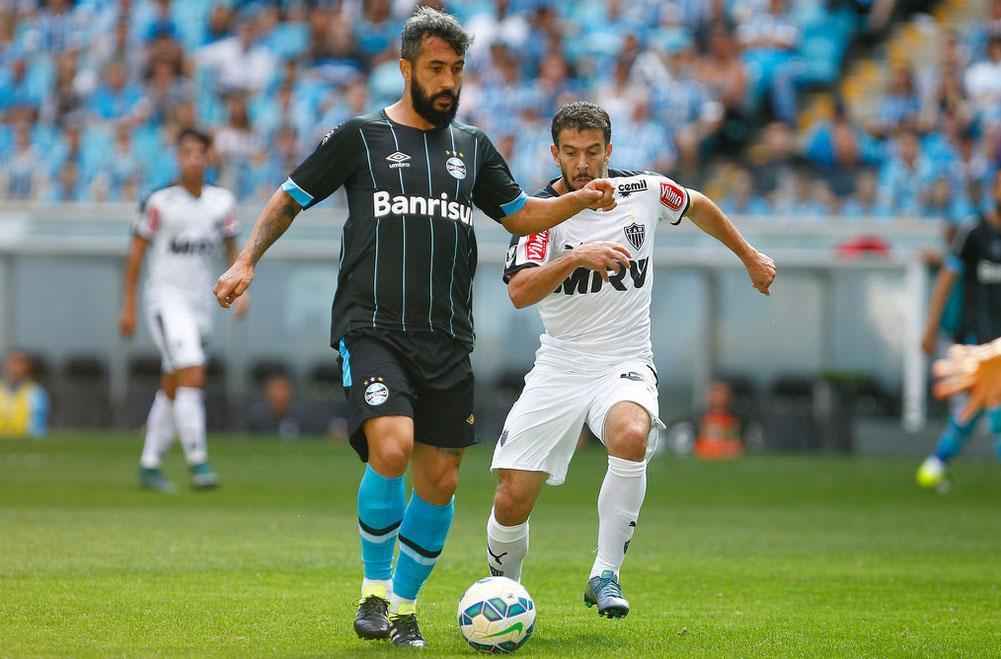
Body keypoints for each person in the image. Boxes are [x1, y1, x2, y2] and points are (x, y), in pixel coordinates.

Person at [211, 8, 616, 649]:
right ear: (405, 69)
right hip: (372, 326)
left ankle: (402, 609)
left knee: (442, 479)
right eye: (435, 68)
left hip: (448, 336)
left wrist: (578, 200)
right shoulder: (360, 136)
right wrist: (245, 260)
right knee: (392, 447)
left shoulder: (474, 148)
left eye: (456, 69)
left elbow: (521, 217)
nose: (448, 80)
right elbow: (289, 196)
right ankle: (372, 595)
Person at [486, 102, 775, 618]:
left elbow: (698, 203)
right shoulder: (538, 215)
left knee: (631, 435)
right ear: (554, 153)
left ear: (609, 151)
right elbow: (520, 291)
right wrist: (576, 257)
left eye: (592, 152)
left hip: (624, 360)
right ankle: (505, 596)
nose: (582, 164)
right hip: (560, 365)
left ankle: (606, 573)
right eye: (571, 153)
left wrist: (749, 255)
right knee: (512, 496)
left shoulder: (642, 191)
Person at [119, 128, 247, 494]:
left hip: (201, 304)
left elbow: (232, 250)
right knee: (192, 370)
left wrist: (243, 293)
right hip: (165, 300)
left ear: (209, 158)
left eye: (200, 153)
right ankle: (198, 460)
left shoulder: (221, 202)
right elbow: (136, 256)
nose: (193, 159)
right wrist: (127, 305)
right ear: (178, 157)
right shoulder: (159, 202)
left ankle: (149, 464)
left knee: (174, 382)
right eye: (187, 152)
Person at [918, 170, 1001, 490]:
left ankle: (935, 463)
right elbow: (946, 280)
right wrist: (930, 327)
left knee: (976, 407)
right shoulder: (973, 232)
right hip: (976, 340)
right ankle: (935, 463)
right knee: (993, 409)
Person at [0, 350, 48, 439]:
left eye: (20, 363)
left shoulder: (35, 392)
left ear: (27, 367)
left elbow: (38, 426)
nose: (15, 368)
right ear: (5, 365)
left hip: (25, 442)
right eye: (13, 363)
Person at [246, 371, 304, 439]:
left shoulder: (302, 417)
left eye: (284, 388)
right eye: (276, 388)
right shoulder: (255, 419)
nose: (280, 394)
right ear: (266, 392)